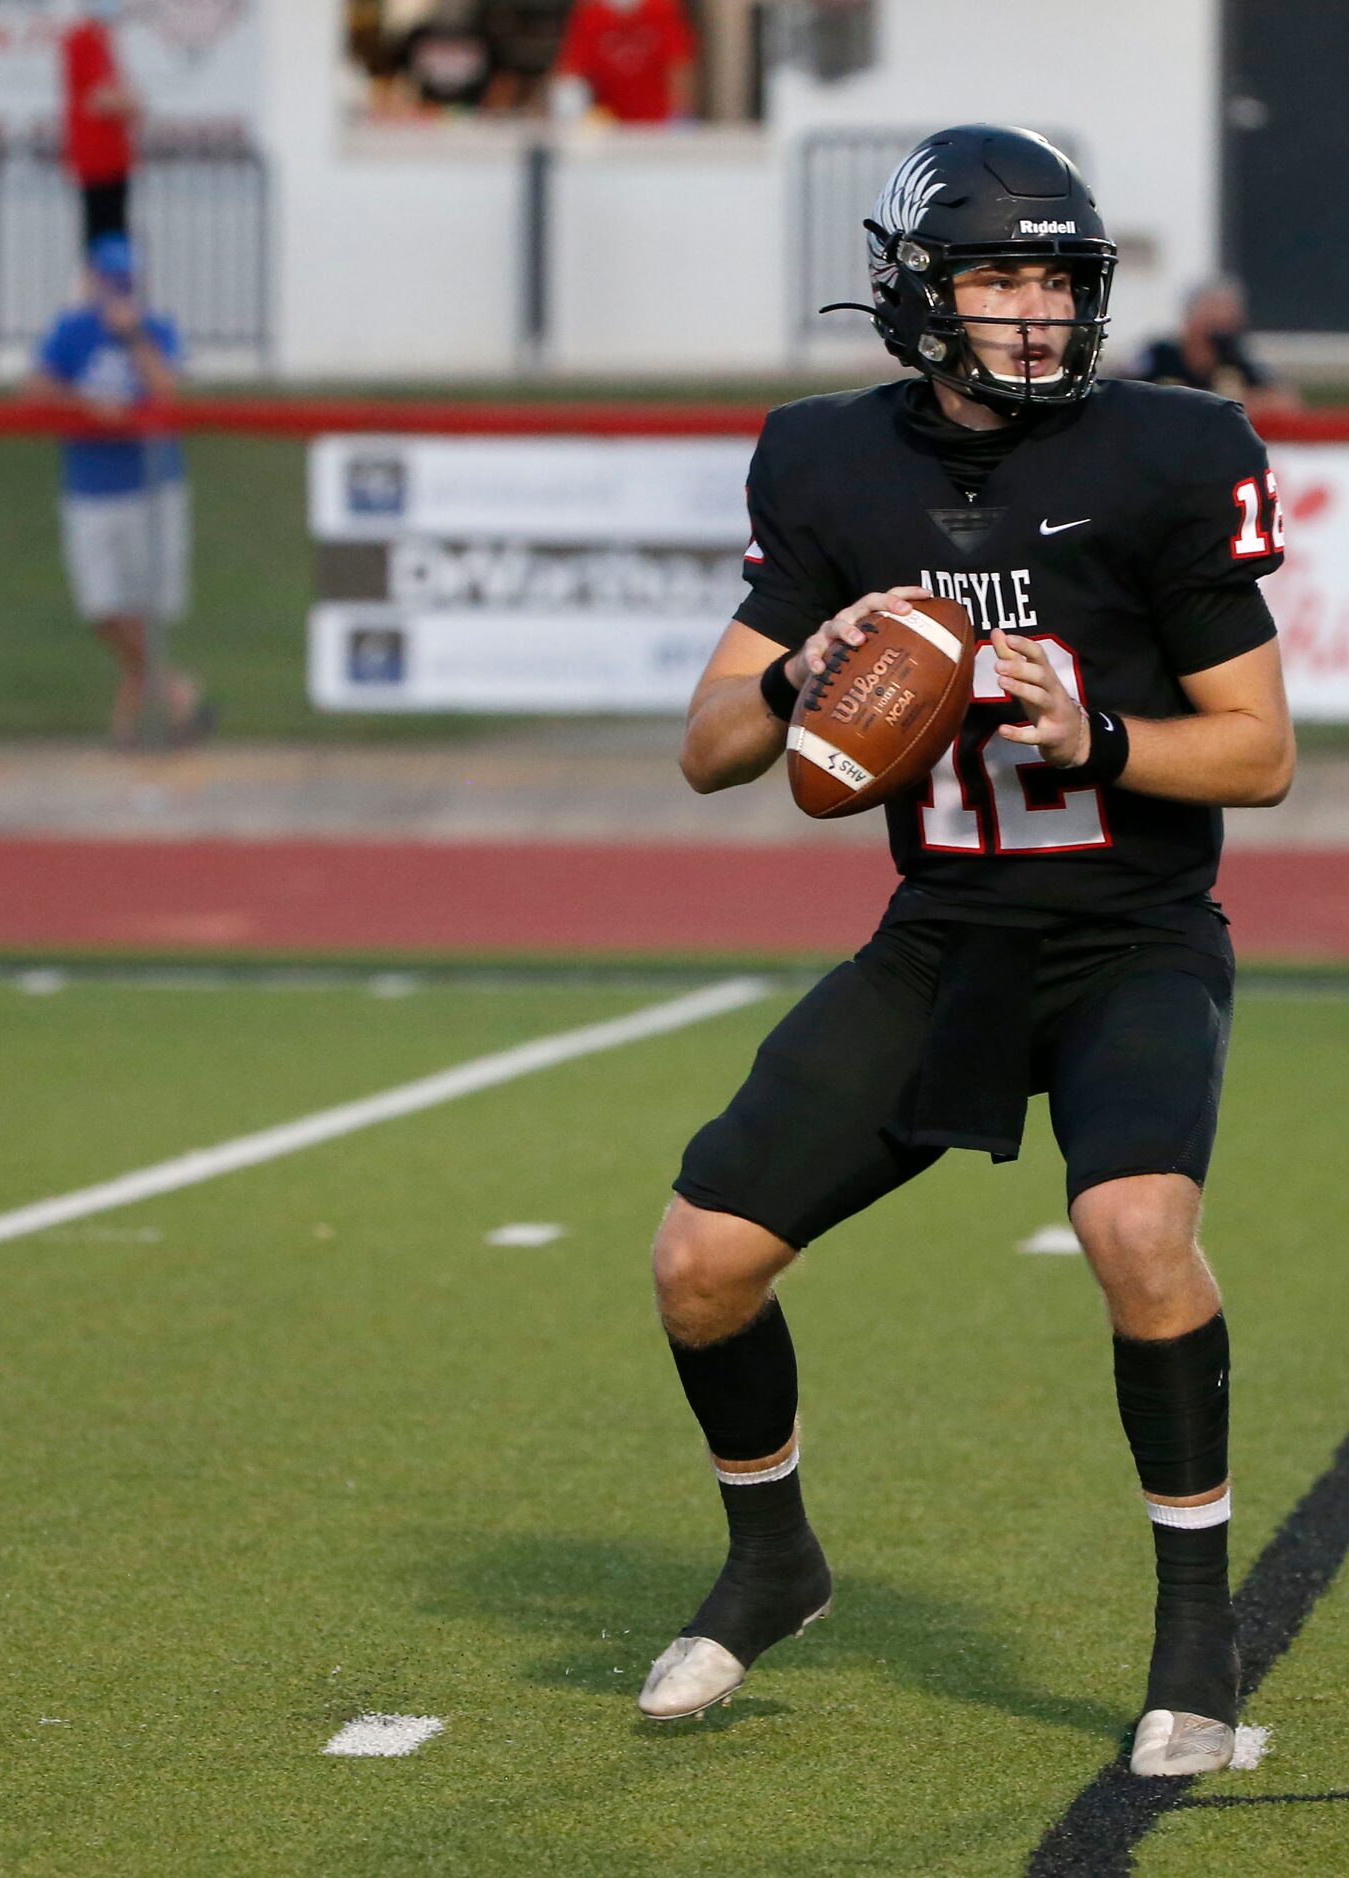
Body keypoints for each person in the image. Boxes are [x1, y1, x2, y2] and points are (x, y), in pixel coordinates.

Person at [638, 125, 1295, 1779]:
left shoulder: (1164, 451)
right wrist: (806, 673)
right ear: (917, 295)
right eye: (1000, 277)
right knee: (699, 1262)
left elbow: (1261, 750)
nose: (1036, 314)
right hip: (941, 939)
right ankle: (775, 1556)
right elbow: (713, 750)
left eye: (1059, 280)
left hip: (1131, 935)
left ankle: (1196, 1638)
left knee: (1136, 1226)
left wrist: (1098, 735)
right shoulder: (825, 462)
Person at [23, 235, 208, 750]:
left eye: (125, 281)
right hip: (90, 489)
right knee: (101, 608)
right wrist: (85, 404)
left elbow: (167, 390)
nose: (116, 291)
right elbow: (34, 390)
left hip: (152, 486)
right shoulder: (72, 330)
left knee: (146, 608)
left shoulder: (158, 329)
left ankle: (131, 729)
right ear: (91, 280)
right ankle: (175, 693)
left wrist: (132, 337)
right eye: (108, 280)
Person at [1136, 278, 1300, 417]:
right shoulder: (1160, 356)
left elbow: (1284, 402)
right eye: (1211, 316)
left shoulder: (1235, 358)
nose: (1220, 327)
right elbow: (1126, 396)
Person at [60, 0, 140, 249]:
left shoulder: (103, 40)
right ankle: (102, 286)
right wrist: (132, 104)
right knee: (101, 238)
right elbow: (102, 98)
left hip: (113, 159)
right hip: (97, 160)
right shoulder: (83, 40)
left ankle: (112, 283)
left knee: (114, 234)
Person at [552, 0, 697, 125]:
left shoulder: (662, 11)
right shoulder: (591, 16)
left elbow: (679, 67)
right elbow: (571, 73)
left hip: (657, 122)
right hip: (609, 124)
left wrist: (680, 112)